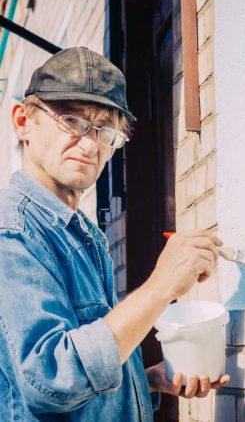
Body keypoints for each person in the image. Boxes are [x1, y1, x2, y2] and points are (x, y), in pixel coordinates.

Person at [0, 47, 229, 421]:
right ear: (24, 121)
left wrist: (146, 379)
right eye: (71, 121)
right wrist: (162, 286)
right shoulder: (12, 230)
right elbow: (52, 380)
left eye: (106, 131)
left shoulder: (82, 234)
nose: (90, 144)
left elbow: (88, 369)